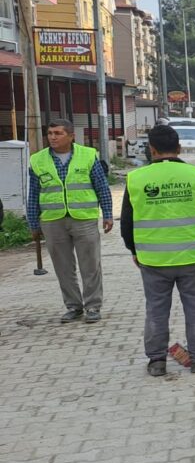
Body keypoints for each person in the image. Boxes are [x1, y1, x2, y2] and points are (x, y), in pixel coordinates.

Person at [121, 125, 195, 376]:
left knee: (156, 309)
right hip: (192, 257)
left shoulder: (136, 179)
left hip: (153, 259)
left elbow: (126, 222)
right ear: (179, 148)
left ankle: (157, 362)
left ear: (151, 149)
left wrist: (133, 250)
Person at [28, 119, 113, 323]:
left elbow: (101, 186)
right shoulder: (37, 160)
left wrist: (108, 214)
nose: (53, 137)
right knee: (63, 267)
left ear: (71, 136)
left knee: (90, 265)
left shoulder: (88, 155)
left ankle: (93, 306)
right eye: (50, 133)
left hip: (83, 219)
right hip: (52, 221)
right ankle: (73, 306)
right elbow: (33, 194)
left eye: (58, 133)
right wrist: (33, 222)